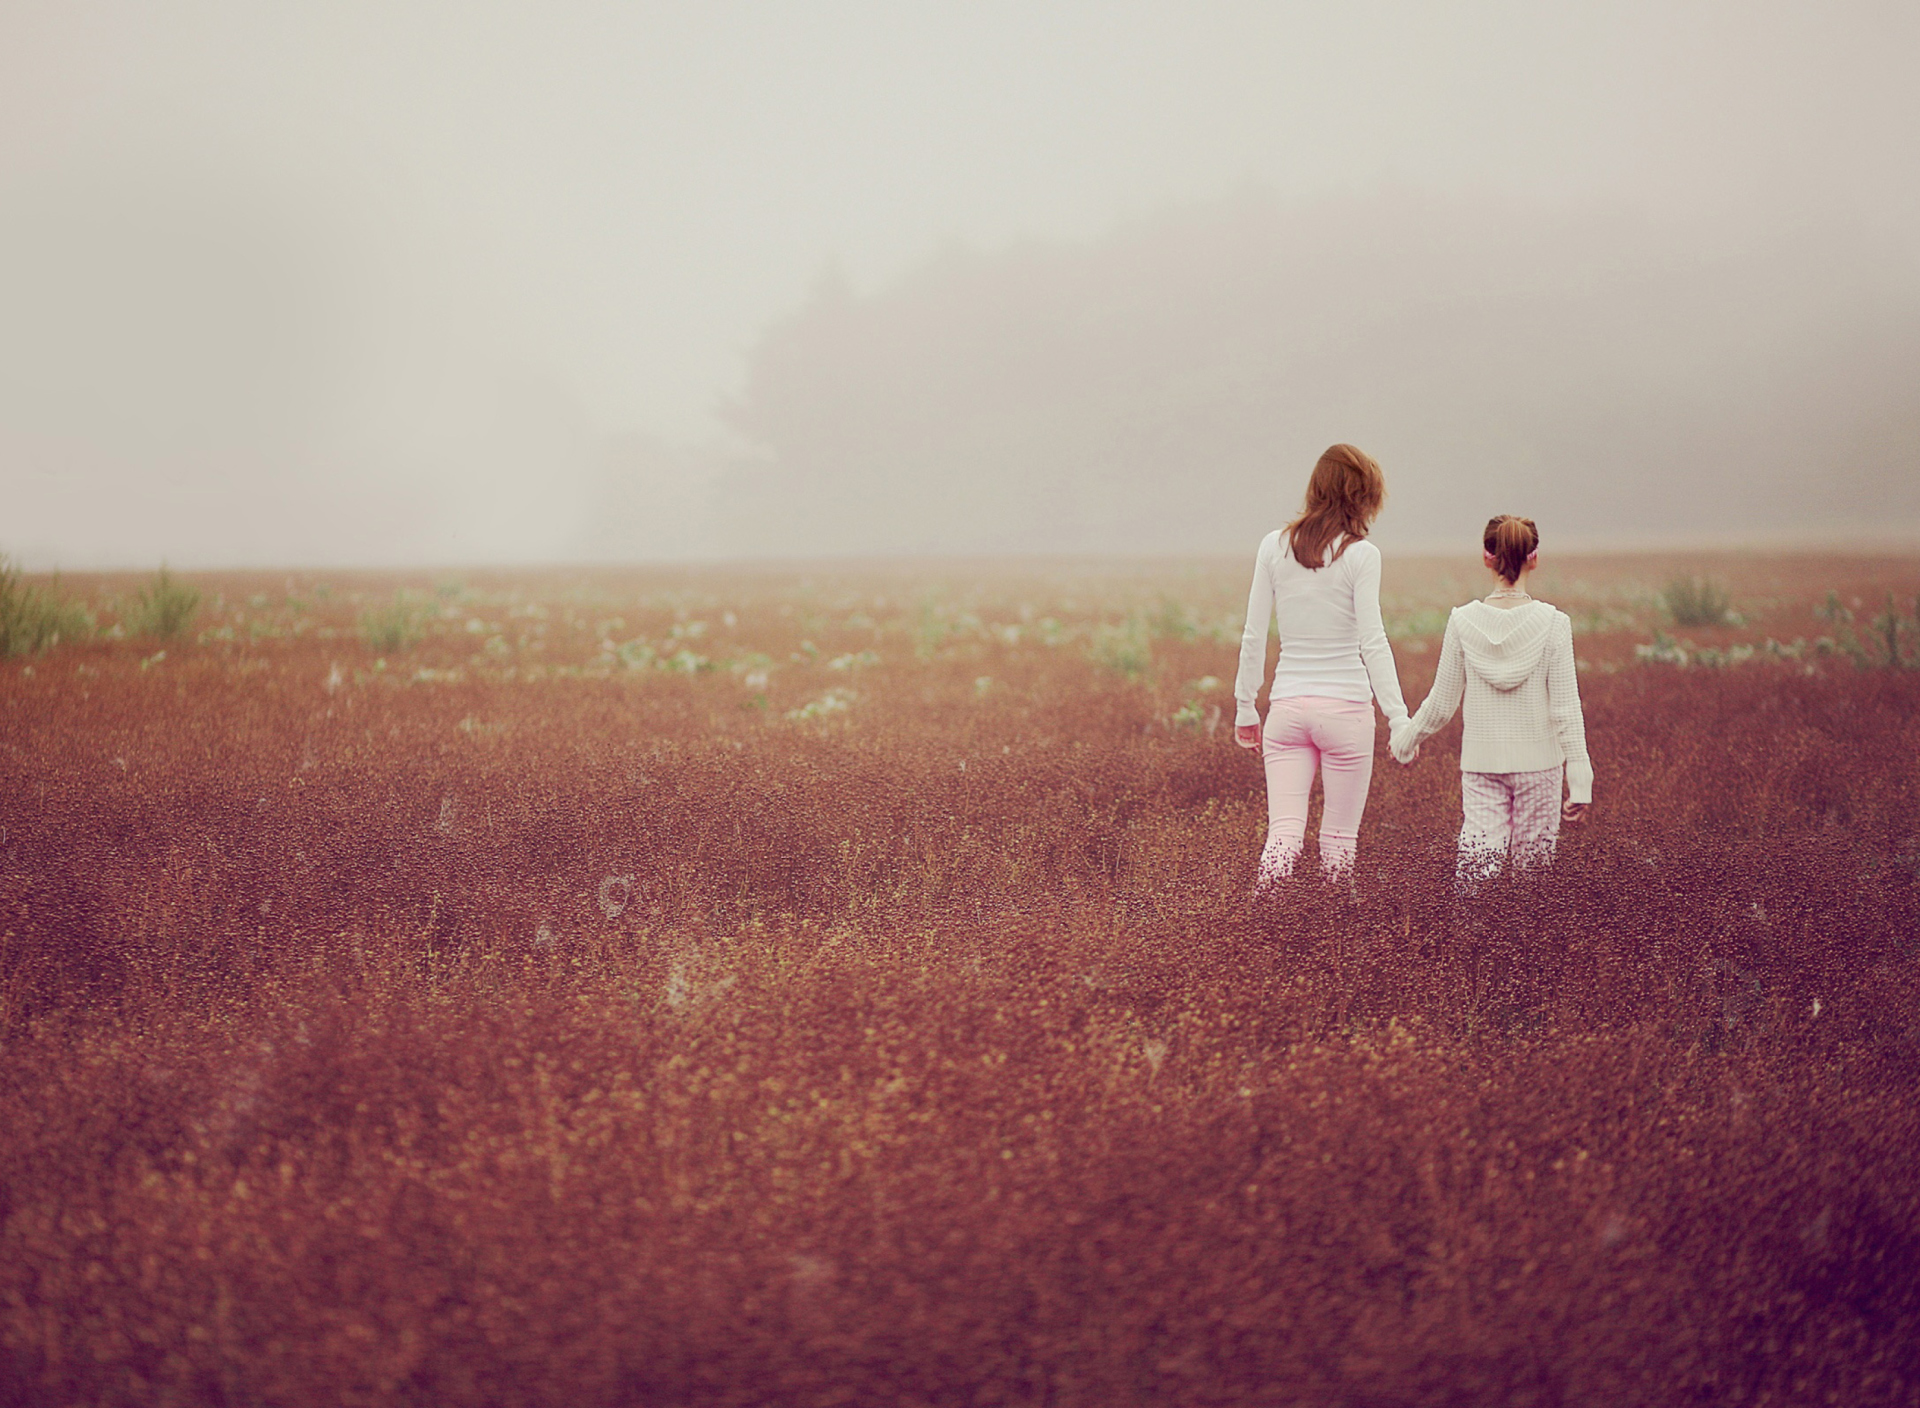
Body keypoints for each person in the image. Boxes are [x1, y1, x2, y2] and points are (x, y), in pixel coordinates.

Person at [1233, 444, 1410, 886]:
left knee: (1283, 835)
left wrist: (1244, 706)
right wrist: (1398, 717)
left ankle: (1260, 929)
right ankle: (1336, 938)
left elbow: (1254, 633)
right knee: (1338, 840)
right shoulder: (1362, 555)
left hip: (1287, 711)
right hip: (1345, 710)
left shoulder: (1273, 547)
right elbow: (1373, 641)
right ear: (1364, 495)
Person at [1390, 515, 1592, 886]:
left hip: (1481, 765)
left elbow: (1442, 702)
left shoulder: (1462, 621)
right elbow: (1566, 708)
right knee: (1533, 881)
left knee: (1476, 873)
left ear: (1487, 557)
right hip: (1540, 767)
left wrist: (1405, 740)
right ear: (1534, 558)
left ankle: (1470, 942)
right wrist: (1580, 780)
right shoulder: (1553, 623)